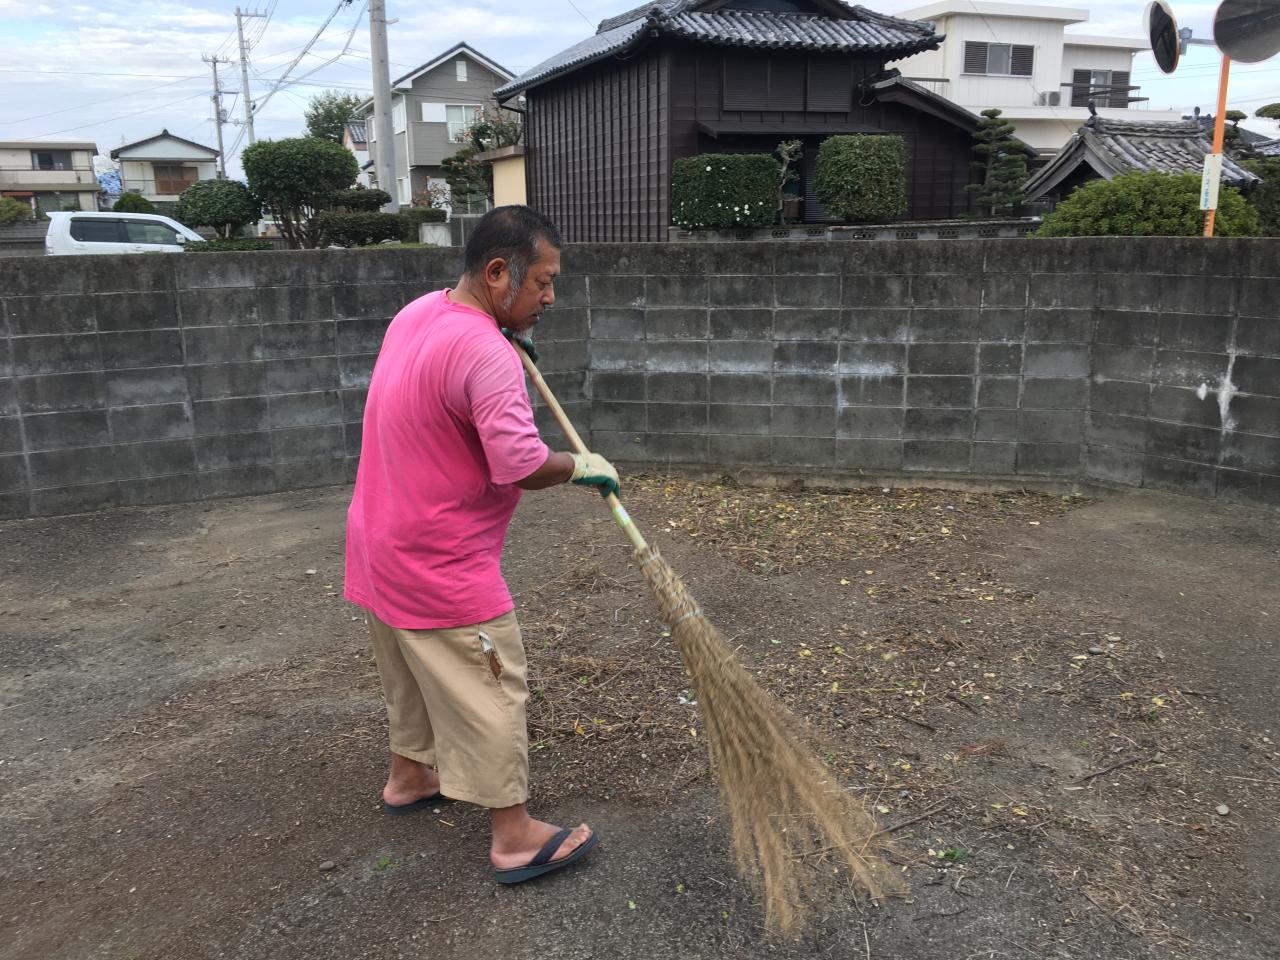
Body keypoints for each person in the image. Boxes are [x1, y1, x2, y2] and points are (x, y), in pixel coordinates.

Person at [344, 205, 618, 884]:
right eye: (544, 282)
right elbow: (519, 463)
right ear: (500, 273)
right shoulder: (487, 351)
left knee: (409, 673)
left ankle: (410, 775)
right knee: (492, 687)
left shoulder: (420, 312)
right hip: (441, 562)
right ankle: (515, 835)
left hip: (378, 544)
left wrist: (504, 336)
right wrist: (581, 465)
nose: (551, 296)